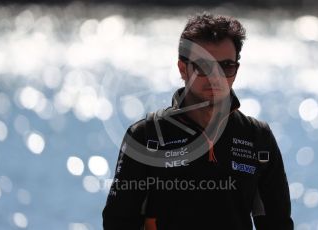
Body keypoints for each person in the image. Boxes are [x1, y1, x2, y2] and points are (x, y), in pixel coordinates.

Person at [102, 12, 294, 230]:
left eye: (226, 66)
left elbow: (278, 224)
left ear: (236, 70)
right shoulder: (146, 137)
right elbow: (118, 223)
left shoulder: (258, 138)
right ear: (183, 69)